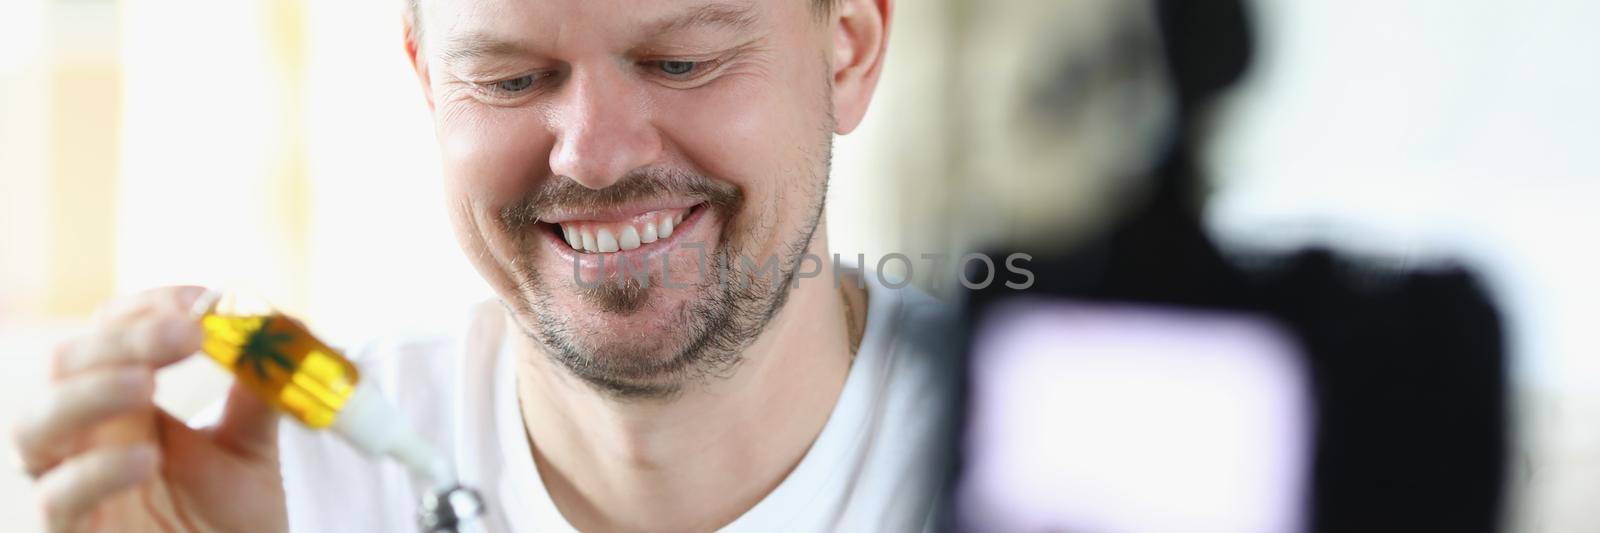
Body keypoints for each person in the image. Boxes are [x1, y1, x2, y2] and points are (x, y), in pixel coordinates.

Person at [10, 0, 959, 531]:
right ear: (428, 81)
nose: (594, 154)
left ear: (849, 52)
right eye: (510, 80)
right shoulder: (270, 492)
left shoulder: (1058, 449)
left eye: (682, 61)